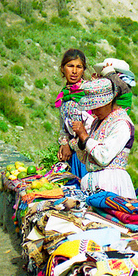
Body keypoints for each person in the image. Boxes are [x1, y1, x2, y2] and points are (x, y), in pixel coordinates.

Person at [70, 78, 136, 198]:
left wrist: (85, 136)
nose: (94, 111)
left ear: (110, 102)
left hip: (111, 184)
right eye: (92, 108)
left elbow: (104, 156)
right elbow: (86, 159)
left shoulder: (121, 123)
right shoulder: (97, 122)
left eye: (98, 107)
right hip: (93, 185)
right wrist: (80, 139)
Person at [55, 48, 93, 179]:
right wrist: (64, 143)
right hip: (73, 156)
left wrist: (70, 146)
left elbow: (92, 128)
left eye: (79, 67)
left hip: (87, 154)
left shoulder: (89, 93)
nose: (74, 71)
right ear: (62, 68)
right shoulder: (64, 95)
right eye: (70, 66)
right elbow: (63, 126)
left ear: (84, 70)